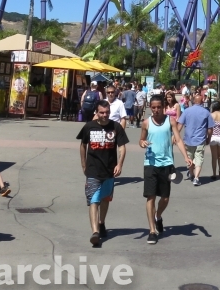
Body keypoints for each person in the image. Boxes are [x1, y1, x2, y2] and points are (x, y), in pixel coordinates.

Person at [140, 94, 191, 244]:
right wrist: (142, 143)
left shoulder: (171, 121)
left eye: (159, 107)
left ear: (163, 107)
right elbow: (141, 139)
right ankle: (152, 231)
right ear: (150, 108)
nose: (156, 110)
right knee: (150, 197)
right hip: (150, 163)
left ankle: (158, 216)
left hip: (167, 163)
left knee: (165, 197)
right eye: (153, 107)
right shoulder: (146, 123)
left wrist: (186, 157)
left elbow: (178, 140)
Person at [77, 99, 128, 247]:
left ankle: (101, 222)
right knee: (93, 200)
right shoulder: (89, 127)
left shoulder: (116, 127)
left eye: (107, 112)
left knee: (105, 199)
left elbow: (122, 147)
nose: (105, 115)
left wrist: (120, 164)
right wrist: (83, 163)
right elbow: (83, 145)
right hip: (93, 170)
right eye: (102, 113)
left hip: (109, 170)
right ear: (96, 112)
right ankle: (95, 232)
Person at [177, 93, 214, 186]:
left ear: (193, 101)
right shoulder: (206, 112)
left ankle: (191, 173)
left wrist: (176, 136)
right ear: (202, 102)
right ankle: (196, 178)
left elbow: (180, 124)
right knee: (199, 158)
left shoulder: (187, 111)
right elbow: (210, 128)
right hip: (200, 139)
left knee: (189, 157)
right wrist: (209, 138)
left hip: (188, 139)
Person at [208, 101, 220, 180]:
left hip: (213, 137)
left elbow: (208, 127)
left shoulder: (211, 115)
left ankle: (214, 174)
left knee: (214, 156)